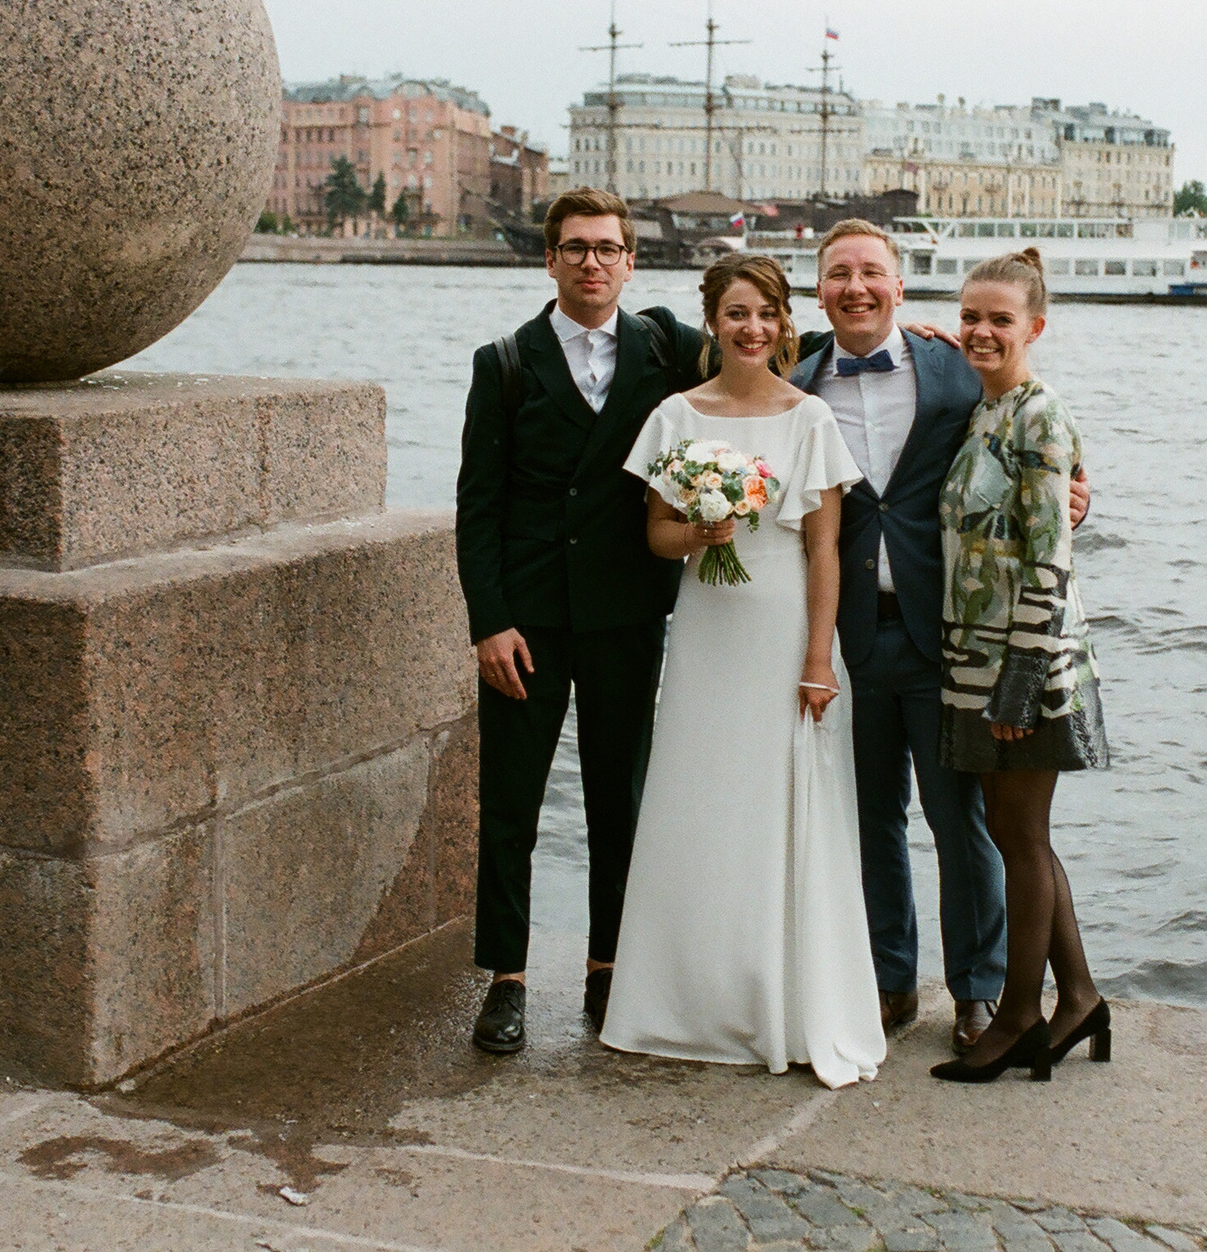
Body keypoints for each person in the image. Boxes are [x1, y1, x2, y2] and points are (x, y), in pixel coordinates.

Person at [790, 220, 1089, 1053]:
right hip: (845, 638)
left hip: (947, 636)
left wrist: (1075, 492)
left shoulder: (957, 364)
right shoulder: (796, 378)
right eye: (839, 274)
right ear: (819, 291)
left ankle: (979, 990)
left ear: (899, 284)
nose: (857, 287)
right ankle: (890, 982)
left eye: (873, 272)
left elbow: (1030, 436)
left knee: (963, 822)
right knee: (870, 819)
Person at [600, 253, 886, 1087]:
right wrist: (701, 534)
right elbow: (655, 530)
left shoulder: (809, 420)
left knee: (775, 803)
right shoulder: (675, 416)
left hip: (782, 629)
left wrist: (815, 658)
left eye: (764, 312)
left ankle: (781, 998)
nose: (750, 328)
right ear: (713, 323)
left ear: (783, 322)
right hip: (706, 628)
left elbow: (826, 548)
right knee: (698, 798)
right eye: (734, 313)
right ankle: (684, 1001)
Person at [454, 188, 702, 1055]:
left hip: (628, 610)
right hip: (528, 620)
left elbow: (766, 350)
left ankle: (608, 968)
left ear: (632, 261)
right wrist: (489, 621)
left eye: (606, 248)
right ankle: (507, 978)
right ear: (549, 260)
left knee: (618, 801)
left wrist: (896, 340)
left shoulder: (667, 347)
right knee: (512, 802)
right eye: (574, 248)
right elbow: (477, 508)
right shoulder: (506, 361)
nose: (591, 262)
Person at [929, 248, 1111, 1085]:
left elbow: (1050, 559)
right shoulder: (986, 408)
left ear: (1036, 327)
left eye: (1000, 319)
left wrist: (1020, 681)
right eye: (971, 316)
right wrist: (937, 337)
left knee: (1021, 838)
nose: (981, 331)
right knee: (1014, 833)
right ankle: (1079, 998)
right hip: (980, 656)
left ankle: (1020, 1016)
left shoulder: (1039, 416)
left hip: (1025, 663)